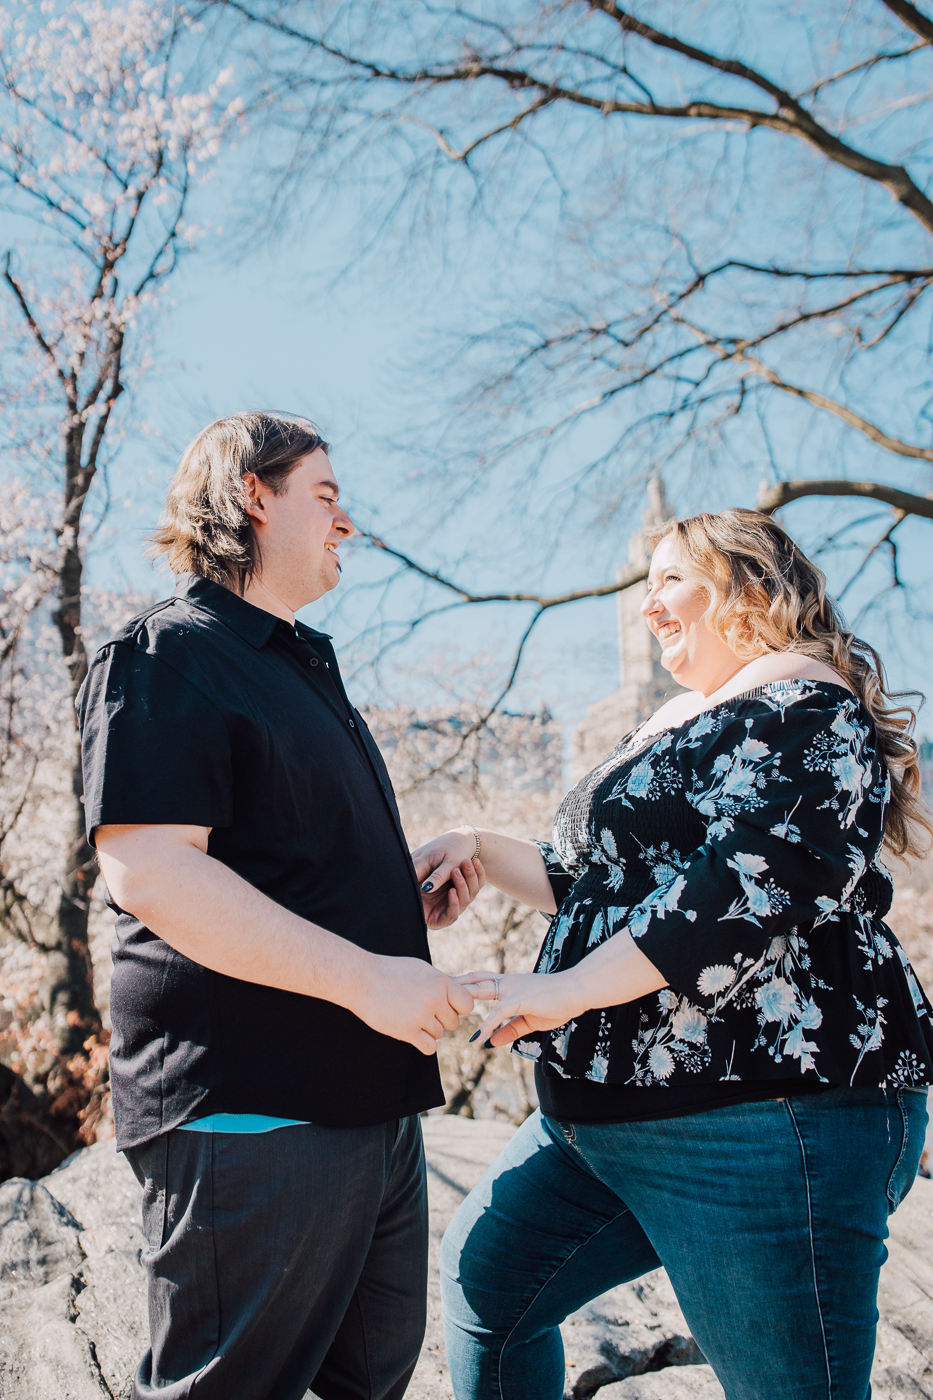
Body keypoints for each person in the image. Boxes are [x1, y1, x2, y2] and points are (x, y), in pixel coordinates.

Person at [413, 509, 933, 1400]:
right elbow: (592, 879)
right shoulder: (677, 721)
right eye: (642, 582)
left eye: (669, 580)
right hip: (598, 1127)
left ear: (752, 589)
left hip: (758, 1127)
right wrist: (473, 845)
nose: (646, 603)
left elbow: (735, 897)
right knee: (486, 1296)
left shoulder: (807, 710)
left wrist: (569, 989)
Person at [77, 411, 482, 1400]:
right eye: (328, 496)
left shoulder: (302, 671)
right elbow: (154, 873)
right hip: (249, 1109)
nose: (348, 523)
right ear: (255, 495)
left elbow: (277, 866)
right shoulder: (164, 653)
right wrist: (364, 974)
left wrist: (398, 891)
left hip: (376, 1110)